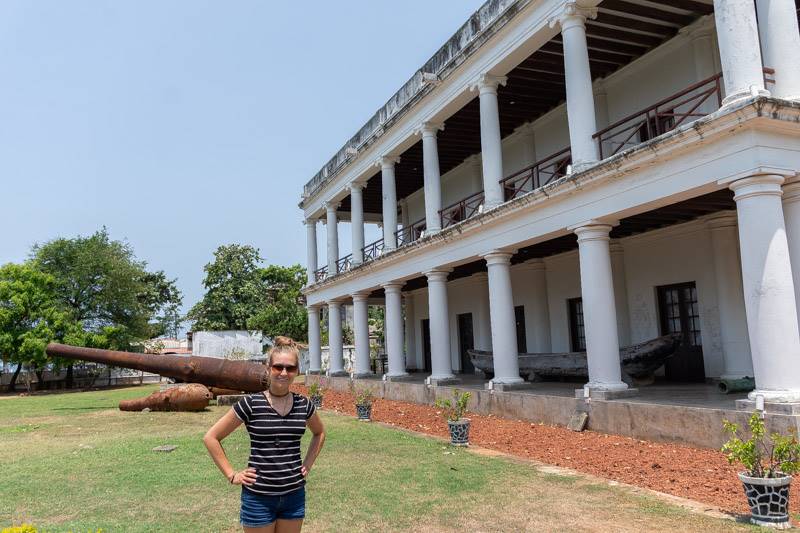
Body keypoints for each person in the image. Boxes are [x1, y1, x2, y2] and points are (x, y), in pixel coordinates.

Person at [204, 336, 325, 532]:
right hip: (258, 497)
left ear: (297, 371)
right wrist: (231, 475)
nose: (284, 373)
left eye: (290, 368)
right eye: (278, 367)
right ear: (268, 368)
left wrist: (308, 464)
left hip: (294, 496)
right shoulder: (250, 404)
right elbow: (211, 437)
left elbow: (319, 433)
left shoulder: (304, 405)